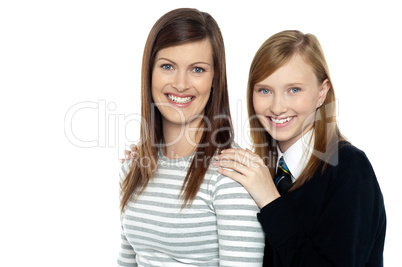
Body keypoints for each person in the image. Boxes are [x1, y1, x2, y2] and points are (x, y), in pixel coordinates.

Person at [213, 30, 386, 266]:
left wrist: (270, 200)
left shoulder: (349, 168)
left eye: (294, 90)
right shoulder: (265, 171)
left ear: (322, 93)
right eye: (264, 90)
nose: (277, 107)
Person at [118, 8, 265, 266]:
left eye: (197, 69)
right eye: (167, 66)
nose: (181, 84)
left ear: (214, 79)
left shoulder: (231, 175)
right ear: (149, 72)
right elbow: (126, 261)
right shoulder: (133, 166)